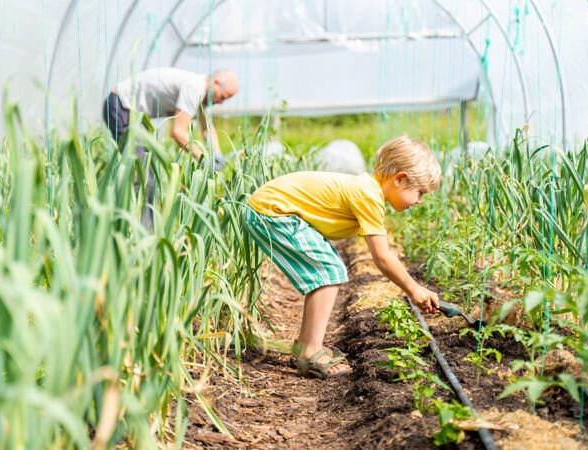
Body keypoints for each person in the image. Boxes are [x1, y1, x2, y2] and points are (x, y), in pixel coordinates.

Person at [244, 135, 442, 379]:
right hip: (272, 213)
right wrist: (414, 290)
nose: (419, 201)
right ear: (400, 179)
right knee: (329, 271)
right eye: (419, 193)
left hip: (271, 210)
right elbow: (381, 257)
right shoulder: (369, 194)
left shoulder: (367, 190)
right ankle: (309, 351)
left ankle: (306, 344)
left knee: (328, 269)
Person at [103, 67, 238, 166]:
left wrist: (217, 153)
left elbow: (207, 128)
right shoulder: (194, 88)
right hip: (121, 105)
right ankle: (131, 203)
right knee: (140, 168)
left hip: (134, 114)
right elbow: (177, 132)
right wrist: (204, 160)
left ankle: (141, 204)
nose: (220, 103)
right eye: (222, 97)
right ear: (216, 82)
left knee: (148, 163)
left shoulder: (200, 92)